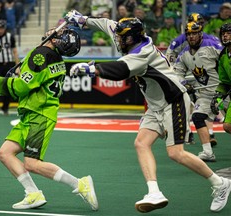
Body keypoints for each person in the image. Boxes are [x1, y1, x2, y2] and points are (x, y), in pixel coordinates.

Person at [65, 10, 231, 213]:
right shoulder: (127, 36)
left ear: (131, 37)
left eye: (120, 37)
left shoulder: (143, 52)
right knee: (141, 143)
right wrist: (82, 20)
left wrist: (92, 69)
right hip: (156, 105)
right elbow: (106, 23)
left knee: (176, 153)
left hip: (174, 101)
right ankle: (154, 193)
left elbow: (121, 70)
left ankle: (219, 183)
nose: (116, 38)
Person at [0, 26, 98, 211]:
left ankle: (80, 184)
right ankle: (33, 193)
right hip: (31, 113)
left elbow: (20, 87)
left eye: (58, 32)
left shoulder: (40, 55)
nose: (54, 29)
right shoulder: (53, 57)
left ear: (55, 39)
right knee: (5, 153)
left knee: (32, 163)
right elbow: (31, 79)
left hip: (39, 115)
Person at [173, 21, 222, 162]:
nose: (191, 37)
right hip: (205, 95)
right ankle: (207, 152)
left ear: (200, 34)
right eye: (189, 34)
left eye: (194, 33)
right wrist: (184, 83)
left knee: (228, 126)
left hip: (224, 92)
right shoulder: (184, 54)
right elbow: (177, 72)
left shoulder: (213, 46)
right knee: (197, 117)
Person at [0, 19, 20, 116]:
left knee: (8, 87)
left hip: (9, 64)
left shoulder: (10, 37)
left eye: (1, 28)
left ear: (4, 28)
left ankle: (5, 108)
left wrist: (17, 66)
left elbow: (14, 51)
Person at [210, 23, 231, 134]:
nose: (225, 36)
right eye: (223, 34)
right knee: (227, 126)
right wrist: (217, 96)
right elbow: (225, 82)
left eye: (228, 33)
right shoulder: (223, 56)